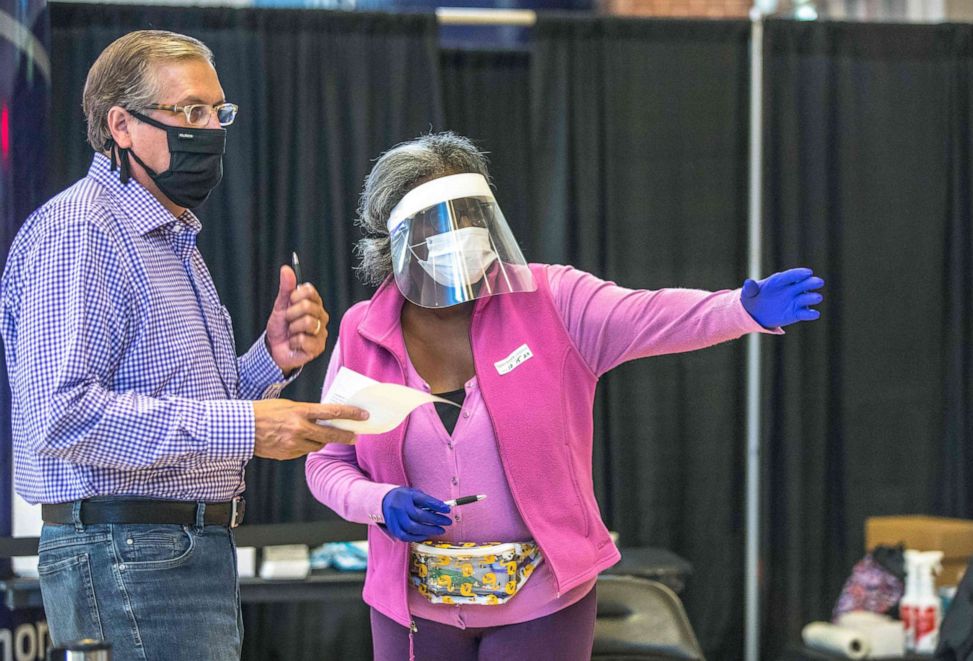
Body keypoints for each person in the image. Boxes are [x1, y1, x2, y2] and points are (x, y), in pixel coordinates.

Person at [306, 132, 825, 660]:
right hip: (413, 611)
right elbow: (326, 464)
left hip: (542, 604)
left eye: (468, 217)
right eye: (438, 222)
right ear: (394, 239)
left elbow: (652, 316)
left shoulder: (551, 300)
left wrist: (739, 310)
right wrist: (380, 502)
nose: (458, 236)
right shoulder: (362, 333)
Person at [0, 31, 367, 660]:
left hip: (174, 548)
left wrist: (270, 359)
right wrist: (245, 427)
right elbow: (57, 417)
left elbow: (194, 406)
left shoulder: (168, 236)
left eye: (217, 112)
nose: (210, 130)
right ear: (121, 125)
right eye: (189, 112)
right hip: (127, 552)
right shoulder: (81, 232)